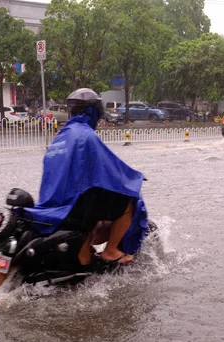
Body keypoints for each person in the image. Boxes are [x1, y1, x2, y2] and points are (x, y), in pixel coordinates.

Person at [31, 88, 148, 267]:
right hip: (73, 204)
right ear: (94, 111)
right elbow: (112, 168)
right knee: (128, 200)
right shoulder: (86, 136)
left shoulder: (60, 137)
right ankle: (110, 251)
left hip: (53, 204)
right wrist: (133, 177)